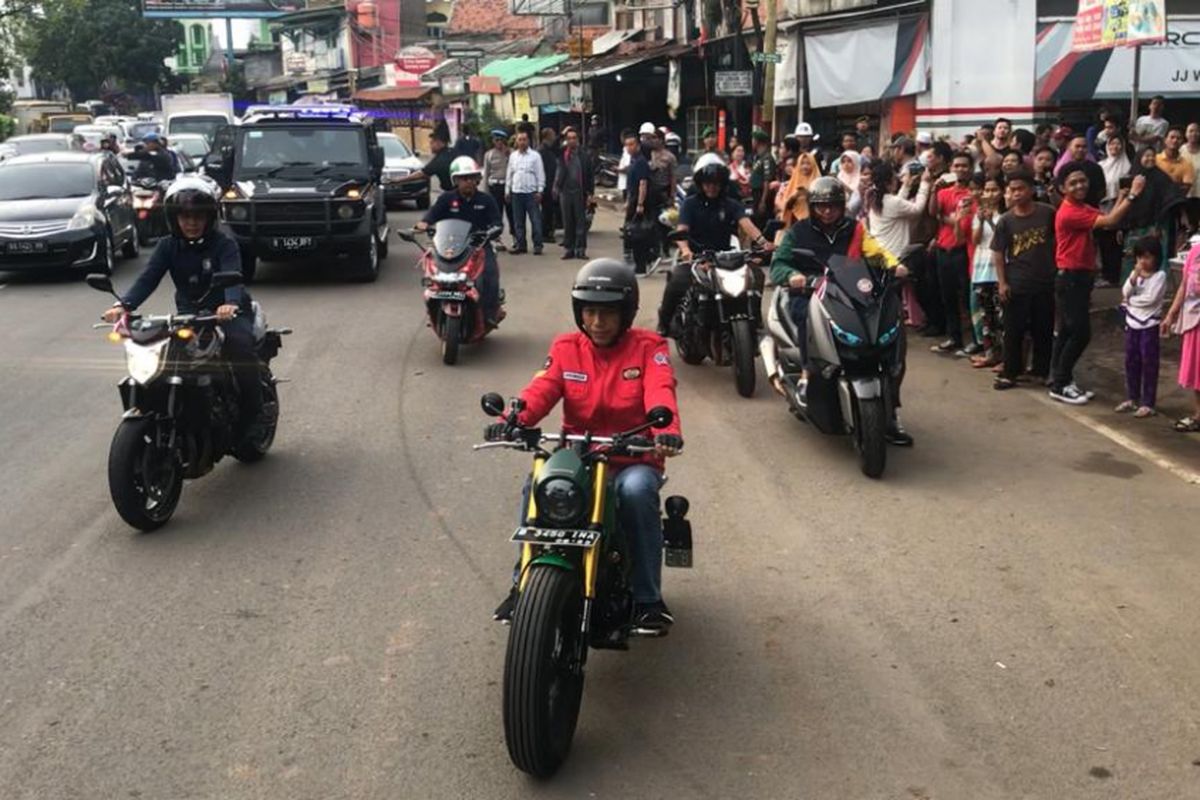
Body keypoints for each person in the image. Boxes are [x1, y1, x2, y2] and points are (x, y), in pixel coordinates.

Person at [487, 259, 684, 632]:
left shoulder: (649, 347)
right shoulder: (566, 348)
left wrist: (665, 431)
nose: (597, 322)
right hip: (579, 452)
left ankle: (647, 599)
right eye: (590, 312)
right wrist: (510, 421)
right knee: (538, 484)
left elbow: (661, 388)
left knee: (637, 491)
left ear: (626, 314)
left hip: (632, 456)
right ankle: (522, 586)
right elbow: (541, 389)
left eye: (608, 313)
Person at [100, 178, 263, 440]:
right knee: (169, 356)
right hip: (189, 314)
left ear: (209, 218)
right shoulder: (167, 246)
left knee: (239, 347)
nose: (192, 223)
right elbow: (148, 278)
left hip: (229, 313)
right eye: (185, 216)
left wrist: (229, 303)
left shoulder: (224, 244)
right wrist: (123, 305)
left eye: (198, 216)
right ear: (174, 219)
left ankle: (252, 415)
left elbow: (232, 274)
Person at [770, 177, 913, 445]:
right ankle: (806, 373)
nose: (827, 211)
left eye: (833, 206)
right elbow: (778, 264)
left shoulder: (854, 228)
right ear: (813, 207)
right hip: (811, 291)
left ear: (841, 206)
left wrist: (895, 267)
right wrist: (792, 276)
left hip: (851, 291)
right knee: (805, 317)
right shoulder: (798, 232)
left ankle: (891, 412)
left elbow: (877, 253)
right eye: (822, 206)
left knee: (887, 331)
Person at [1048, 162, 1145, 405]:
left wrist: (1122, 197)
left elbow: (1105, 217)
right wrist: (1133, 194)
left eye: (1082, 181)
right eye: (1073, 183)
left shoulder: (1080, 207)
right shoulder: (1070, 212)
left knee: (1068, 332)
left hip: (1077, 277)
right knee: (1080, 333)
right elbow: (1110, 221)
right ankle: (1060, 383)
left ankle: (1059, 379)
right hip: (1071, 278)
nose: (1080, 185)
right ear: (1062, 188)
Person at [657, 154, 771, 334]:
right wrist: (686, 251)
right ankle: (664, 322)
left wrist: (763, 242)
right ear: (701, 183)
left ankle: (753, 317)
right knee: (677, 280)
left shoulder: (731, 204)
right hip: (696, 258)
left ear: (722, 183)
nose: (712, 186)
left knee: (756, 275)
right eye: (708, 182)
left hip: (726, 258)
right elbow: (682, 230)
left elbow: (746, 224)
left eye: (716, 182)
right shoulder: (690, 204)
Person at [991, 168, 1058, 391]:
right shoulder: (1006, 221)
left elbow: (1060, 241)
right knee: (1013, 330)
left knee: (1043, 329)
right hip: (1017, 282)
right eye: (1012, 189)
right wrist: (1002, 282)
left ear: (1031, 190)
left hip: (1045, 281)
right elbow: (999, 253)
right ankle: (1011, 372)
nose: (1017, 193)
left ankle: (1040, 370)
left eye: (1021, 188)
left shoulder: (1048, 213)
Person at [416, 157, 504, 326]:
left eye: (471, 177)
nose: (468, 182)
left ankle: (489, 313)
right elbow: (432, 215)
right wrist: (424, 223)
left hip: (479, 246)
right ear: (455, 180)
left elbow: (497, 223)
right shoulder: (446, 199)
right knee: (433, 275)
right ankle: (433, 311)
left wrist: (494, 230)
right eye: (464, 178)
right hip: (450, 247)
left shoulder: (486, 200)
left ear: (477, 179)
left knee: (490, 276)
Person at [867, 161, 933, 330]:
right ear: (890, 182)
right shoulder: (890, 202)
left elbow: (896, 203)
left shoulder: (874, 198)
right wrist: (924, 184)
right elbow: (916, 209)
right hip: (895, 255)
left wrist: (906, 186)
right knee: (893, 295)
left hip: (879, 253)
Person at [929, 149, 977, 356]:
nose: (960, 170)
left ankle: (976, 340)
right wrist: (933, 190)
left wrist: (946, 218)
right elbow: (933, 212)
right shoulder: (943, 192)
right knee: (947, 296)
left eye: (964, 166)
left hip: (963, 251)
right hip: (943, 249)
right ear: (950, 168)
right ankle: (954, 337)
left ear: (971, 169)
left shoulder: (974, 195)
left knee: (968, 298)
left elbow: (965, 224)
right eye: (956, 166)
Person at [1115, 236, 1167, 418]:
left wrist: (1131, 301)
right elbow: (1124, 292)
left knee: (1149, 362)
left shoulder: (1160, 276)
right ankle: (1132, 397)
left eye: (1147, 257)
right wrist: (1134, 276)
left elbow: (1150, 299)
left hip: (1149, 324)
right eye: (1140, 257)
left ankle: (1148, 402)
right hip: (1132, 322)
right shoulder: (1135, 275)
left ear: (1156, 258)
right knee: (1131, 360)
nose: (1143, 262)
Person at [1122, 145, 1182, 283]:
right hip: (1134, 228)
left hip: (1155, 227)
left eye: (1152, 156)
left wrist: (1159, 225)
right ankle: (1131, 286)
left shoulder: (1162, 178)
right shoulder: (1131, 177)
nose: (1150, 159)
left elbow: (1170, 200)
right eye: (1146, 156)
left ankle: (1156, 287)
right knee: (1133, 258)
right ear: (1139, 158)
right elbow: (1125, 203)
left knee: (1153, 257)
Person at [1162, 239, 1200, 433]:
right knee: (1196, 372)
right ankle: (1198, 415)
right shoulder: (1194, 253)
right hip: (1194, 320)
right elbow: (1184, 286)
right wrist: (1171, 315)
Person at [969, 175, 1005, 369]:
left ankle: (1005, 357)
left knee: (1001, 318)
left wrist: (991, 222)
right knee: (986, 317)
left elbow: (1002, 241)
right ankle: (990, 353)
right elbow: (975, 240)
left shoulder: (1006, 215)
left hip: (998, 272)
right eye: (987, 190)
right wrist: (982, 221)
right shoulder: (979, 214)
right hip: (982, 270)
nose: (990, 194)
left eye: (994, 189)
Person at [1098, 134, 1133, 285]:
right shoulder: (1101, 165)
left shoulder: (1128, 166)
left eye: (1118, 144)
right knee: (1105, 241)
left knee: (1118, 242)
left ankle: (1117, 275)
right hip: (1103, 206)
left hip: (1122, 205)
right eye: (1112, 144)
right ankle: (1106, 274)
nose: (1115, 147)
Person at [554, 127, 594, 260]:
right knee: (568, 222)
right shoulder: (562, 154)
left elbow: (590, 176)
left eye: (574, 138)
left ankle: (580, 249)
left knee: (580, 222)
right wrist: (562, 133)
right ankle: (569, 249)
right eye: (569, 138)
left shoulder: (584, 156)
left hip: (579, 192)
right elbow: (552, 145)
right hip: (565, 192)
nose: (571, 141)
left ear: (578, 140)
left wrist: (590, 194)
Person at [506, 130, 545, 255]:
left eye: (524, 139)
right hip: (516, 192)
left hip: (531, 193)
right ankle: (521, 244)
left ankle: (538, 245)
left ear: (528, 141)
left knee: (535, 220)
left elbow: (540, 173)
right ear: (516, 141)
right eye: (520, 140)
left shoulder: (535, 156)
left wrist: (540, 190)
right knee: (518, 221)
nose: (522, 142)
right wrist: (507, 190)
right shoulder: (513, 156)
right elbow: (509, 174)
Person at [623, 132, 654, 274]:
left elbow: (643, 184)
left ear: (638, 146)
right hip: (633, 200)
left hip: (640, 203)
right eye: (627, 145)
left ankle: (641, 264)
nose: (629, 147)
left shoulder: (641, 162)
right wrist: (628, 201)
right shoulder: (633, 161)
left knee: (638, 234)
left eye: (632, 144)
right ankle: (636, 261)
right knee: (631, 232)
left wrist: (640, 204)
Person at [394, 122, 454, 192]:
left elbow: (421, 174)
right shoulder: (452, 152)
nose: (430, 146)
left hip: (451, 192)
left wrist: (398, 180)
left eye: (432, 142)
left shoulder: (440, 160)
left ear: (439, 142)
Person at [1053, 136, 1106, 209]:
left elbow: (1101, 191)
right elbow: (1059, 191)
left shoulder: (1096, 168)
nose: (1080, 149)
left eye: (1084, 147)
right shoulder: (1064, 169)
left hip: (1092, 209)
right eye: (1077, 146)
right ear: (1070, 147)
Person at [482, 129, 513, 248]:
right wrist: (486, 192)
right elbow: (486, 173)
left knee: (511, 213)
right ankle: (496, 239)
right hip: (494, 186)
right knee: (496, 214)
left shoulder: (510, 153)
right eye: (496, 140)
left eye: (501, 140)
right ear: (493, 141)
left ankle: (516, 238)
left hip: (507, 187)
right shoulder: (489, 154)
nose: (499, 143)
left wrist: (507, 154)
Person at [776, 151, 819, 226]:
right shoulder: (792, 183)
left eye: (808, 163)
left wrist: (808, 194)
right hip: (794, 221)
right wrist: (795, 196)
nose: (805, 166)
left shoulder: (818, 182)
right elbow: (786, 205)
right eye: (802, 163)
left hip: (813, 221)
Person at [748, 128, 777, 230]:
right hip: (756, 194)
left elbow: (767, 180)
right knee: (756, 220)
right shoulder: (758, 158)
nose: (752, 142)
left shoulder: (767, 158)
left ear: (758, 141)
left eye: (753, 139)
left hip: (762, 194)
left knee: (762, 222)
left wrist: (763, 201)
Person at [1156, 127, 1195, 196]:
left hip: (1173, 201)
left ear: (1182, 142)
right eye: (1172, 137)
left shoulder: (1187, 164)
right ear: (1165, 140)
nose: (1175, 140)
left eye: (1178, 138)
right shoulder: (1154, 159)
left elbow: (1185, 188)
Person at [538, 128, 559, 244]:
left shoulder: (549, 149)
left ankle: (548, 231)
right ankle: (545, 233)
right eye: (553, 135)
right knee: (547, 210)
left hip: (551, 183)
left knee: (549, 209)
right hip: (546, 184)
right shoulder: (542, 151)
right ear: (547, 136)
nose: (554, 137)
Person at [1184, 122, 1200, 235]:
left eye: (1196, 131)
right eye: (1191, 131)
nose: (1194, 133)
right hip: (1185, 195)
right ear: (1186, 134)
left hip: (1199, 195)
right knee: (1186, 228)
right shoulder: (1180, 150)